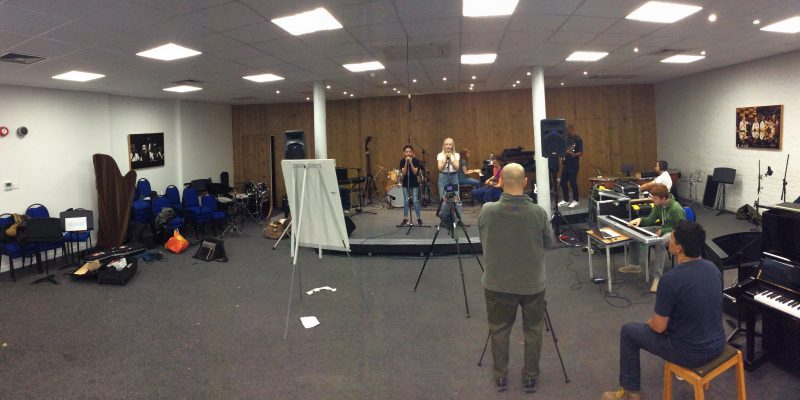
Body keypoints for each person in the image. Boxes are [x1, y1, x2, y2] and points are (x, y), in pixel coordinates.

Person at [602, 221, 725, 400]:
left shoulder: (670, 280)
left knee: (628, 332)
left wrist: (650, 323)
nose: (669, 242)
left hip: (690, 352)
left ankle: (629, 393)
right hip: (718, 344)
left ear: (679, 248)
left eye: (672, 239)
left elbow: (659, 327)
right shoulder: (713, 268)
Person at [479, 163, 555, 393]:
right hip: (532, 284)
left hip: (497, 284)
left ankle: (500, 377)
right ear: (525, 182)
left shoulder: (487, 210)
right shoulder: (537, 212)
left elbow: (483, 237)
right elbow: (550, 243)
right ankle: (530, 378)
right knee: (533, 330)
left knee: (499, 329)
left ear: (501, 181)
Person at [618, 184, 685, 293]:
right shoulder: (658, 205)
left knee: (659, 242)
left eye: (655, 198)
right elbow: (650, 220)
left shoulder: (676, 208)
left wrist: (664, 230)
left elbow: (681, 227)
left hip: (675, 232)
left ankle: (658, 277)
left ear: (663, 198)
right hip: (662, 228)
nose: (653, 200)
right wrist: (640, 220)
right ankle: (634, 265)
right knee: (635, 232)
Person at [557, 123, 583, 208]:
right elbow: (563, 150)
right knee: (563, 182)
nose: (565, 132)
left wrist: (573, 154)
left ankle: (576, 200)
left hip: (574, 164)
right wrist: (562, 156)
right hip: (566, 164)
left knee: (572, 182)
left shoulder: (578, 139)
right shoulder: (566, 139)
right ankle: (566, 200)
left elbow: (580, 152)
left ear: (571, 129)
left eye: (566, 130)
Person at [437, 137, 462, 220]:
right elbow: (440, 168)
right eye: (446, 144)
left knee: (456, 199)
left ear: (452, 146)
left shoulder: (456, 155)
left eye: (450, 144)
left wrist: (451, 159)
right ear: (444, 146)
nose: (448, 146)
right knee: (444, 199)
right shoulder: (440, 155)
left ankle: (457, 220)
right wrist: (445, 159)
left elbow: (456, 167)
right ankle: (445, 220)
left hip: (453, 177)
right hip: (443, 177)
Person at [399, 144, 422, 227]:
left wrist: (411, 162)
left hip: (414, 182)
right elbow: (404, 173)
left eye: (409, 151)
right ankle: (405, 218)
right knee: (406, 201)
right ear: (404, 153)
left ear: (412, 152)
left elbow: (415, 172)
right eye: (406, 152)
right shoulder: (402, 161)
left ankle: (418, 218)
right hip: (406, 182)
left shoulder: (416, 161)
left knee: (415, 201)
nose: (408, 153)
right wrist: (406, 162)